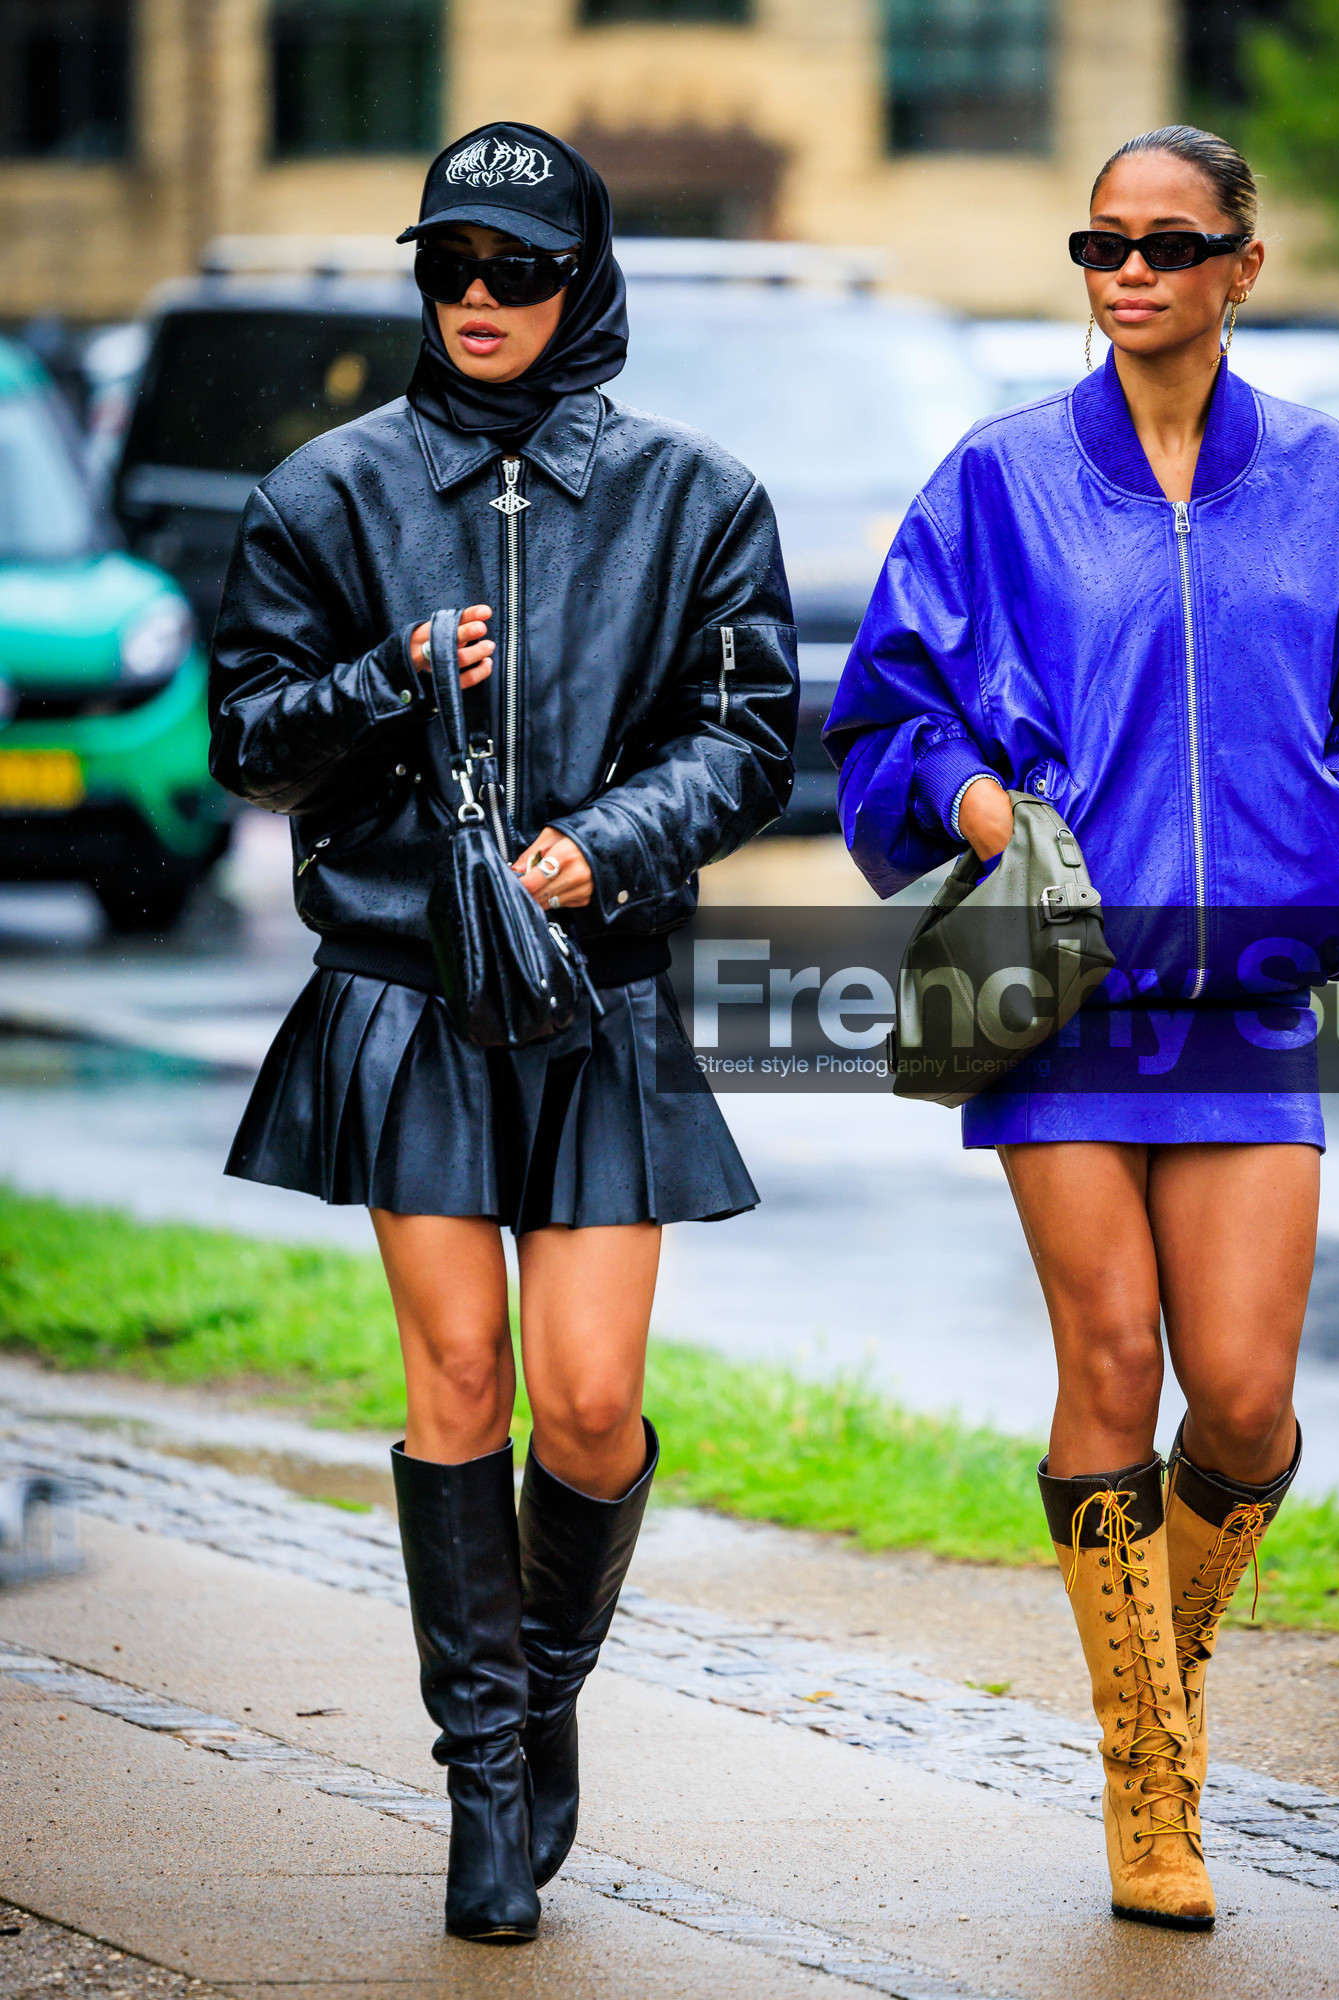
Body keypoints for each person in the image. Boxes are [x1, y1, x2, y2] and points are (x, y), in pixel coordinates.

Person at [824, 126, 1339, 1930]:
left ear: (1241, 264)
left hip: (1249, 1003)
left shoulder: (1334, 479)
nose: (1129, 271)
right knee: (1114, 1366)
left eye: (1168, 243)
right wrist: (977, 811)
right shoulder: (1001, 480)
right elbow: (890, 717)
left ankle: (1152, 1685)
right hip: (1061, 1001)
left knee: (1250, 1409)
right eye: (1099, 243)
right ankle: (1150, 1785)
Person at [210, 123, 796, 1943]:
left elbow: (752, 738)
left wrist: (604, 847)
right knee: (459, 1381)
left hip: (600, 996)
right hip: (404, 997)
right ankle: (481, 1786)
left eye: (518, 270)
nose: (478, 300)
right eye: (450, 267)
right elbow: (250, 739)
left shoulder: (700, 499)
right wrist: (387, 683)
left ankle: (538, 1702)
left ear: (582, 280)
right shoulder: (326, 493)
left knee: (597, 1406)